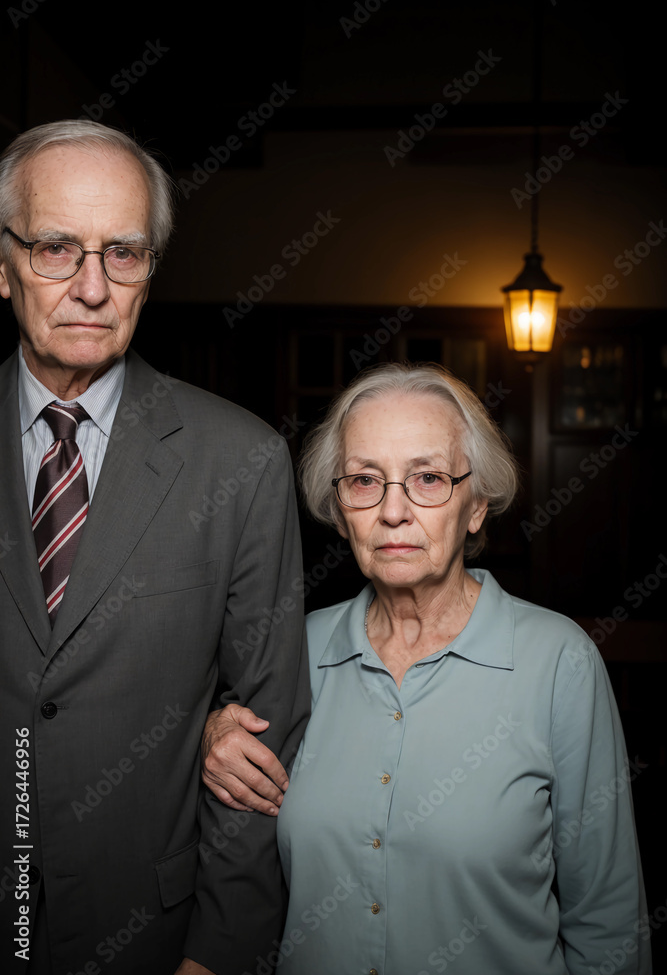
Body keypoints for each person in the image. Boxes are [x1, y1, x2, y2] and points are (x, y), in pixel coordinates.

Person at [203, 362, 650, 975]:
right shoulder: (294, 649)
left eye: (429, 478)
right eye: (365, 480)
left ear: (476, 506)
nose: (393, 511)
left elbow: (608, 924)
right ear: (340, 510)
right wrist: (209, 731)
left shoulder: (559, 663)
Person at [0, 119, 309, 975]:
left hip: (151, 935)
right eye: (56, 248)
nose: (92, 287)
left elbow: (266, 740)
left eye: (124, 253)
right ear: (4, 264)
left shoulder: (240, 461)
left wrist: (218, 952)